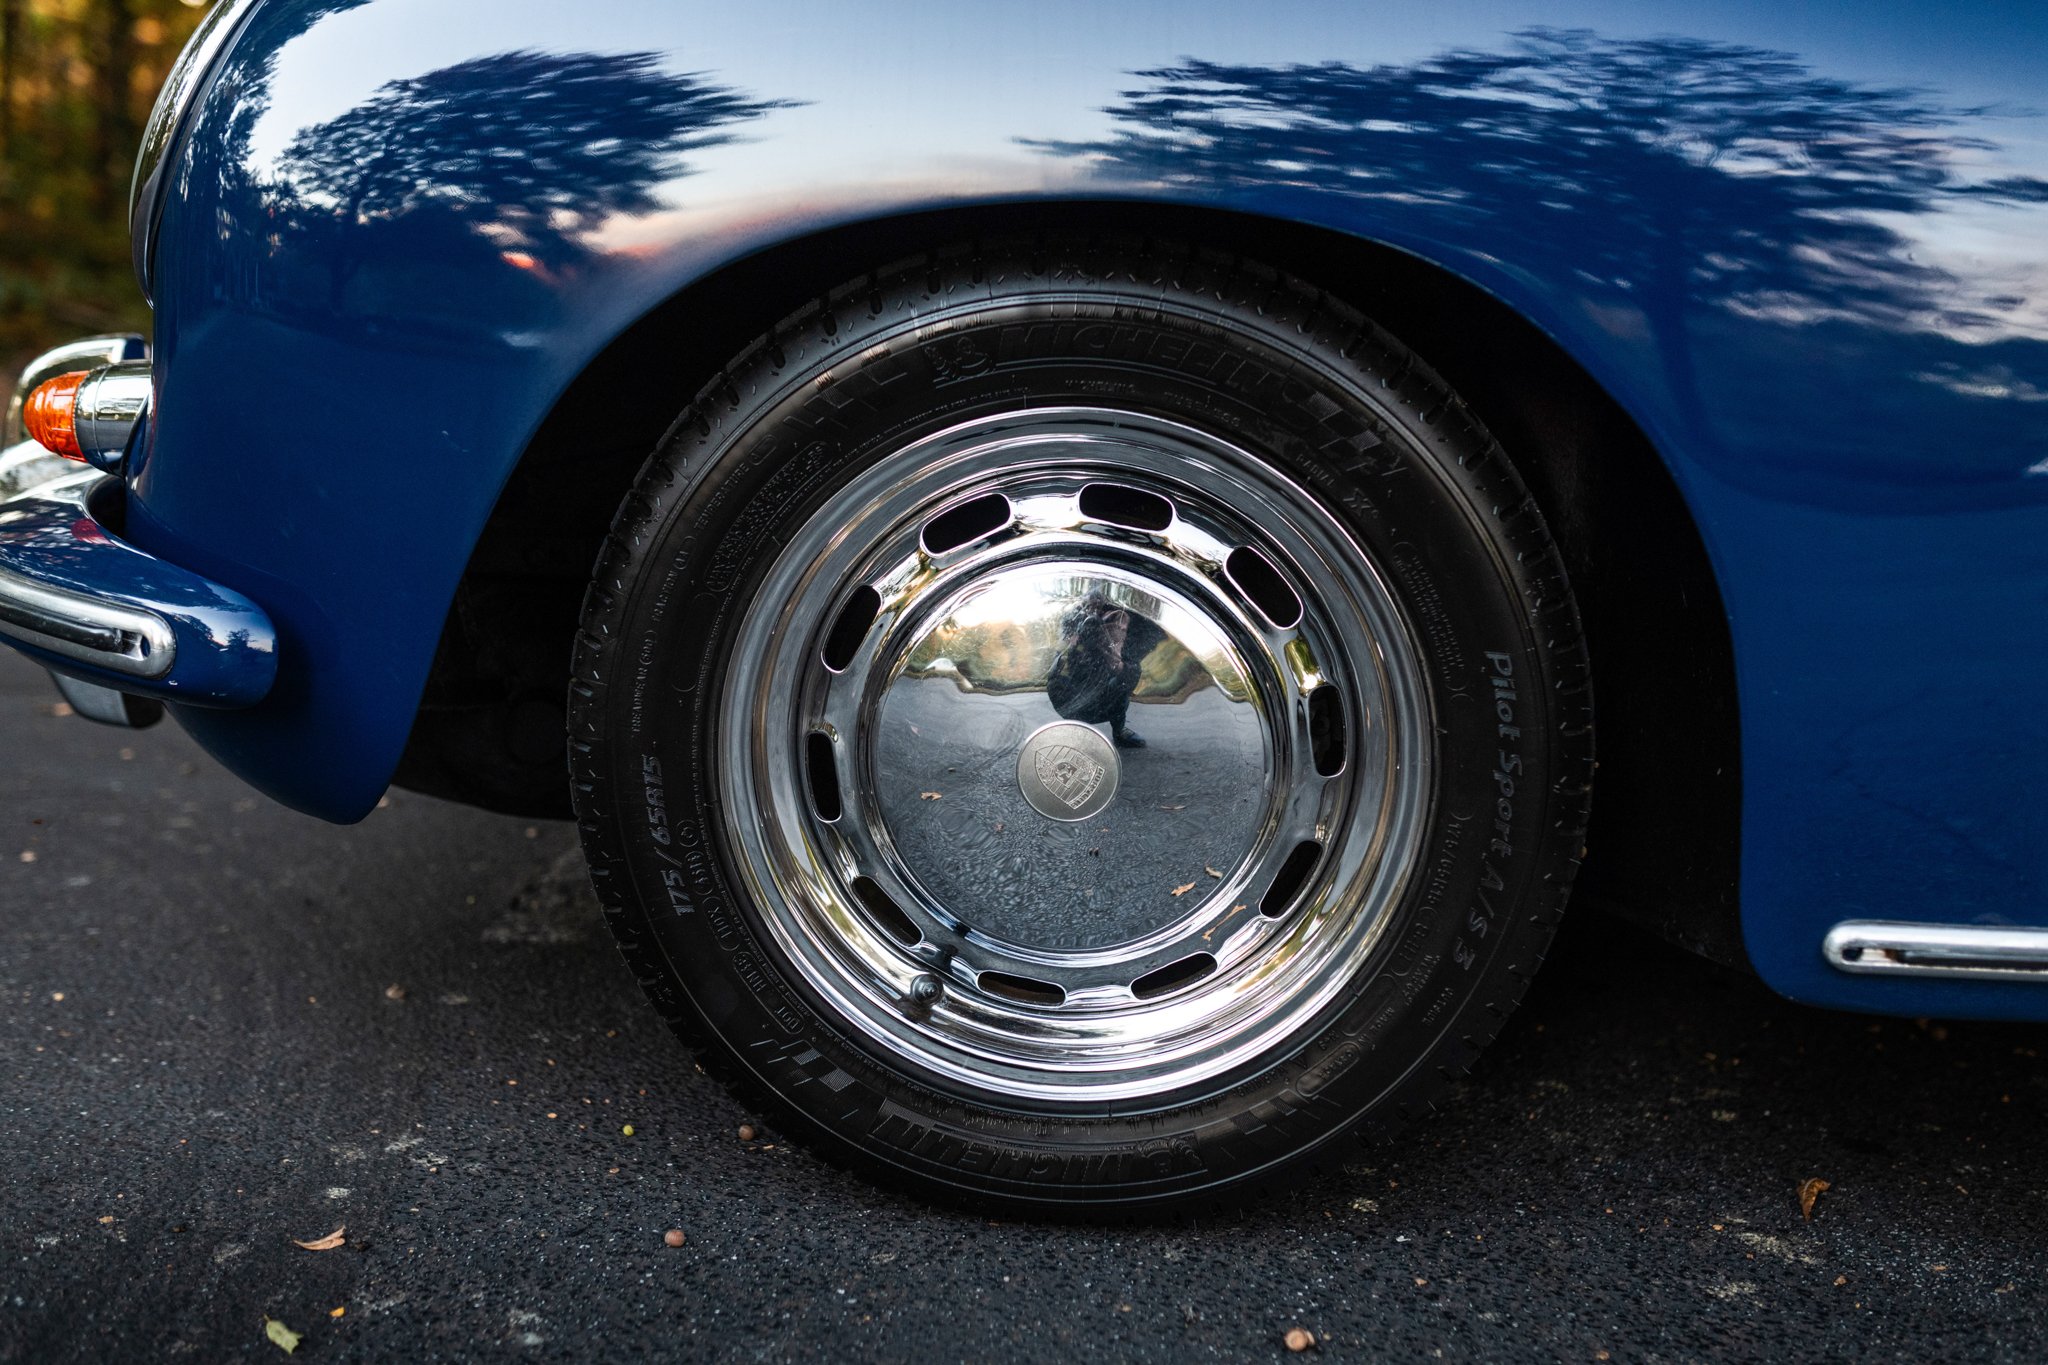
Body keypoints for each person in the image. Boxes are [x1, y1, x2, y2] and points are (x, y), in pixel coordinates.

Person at [1046, 592, 1165, 749]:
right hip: (1073, 691)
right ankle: (1075, 729)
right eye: (1089, 606)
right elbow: (1057, 662)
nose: (1094, 612)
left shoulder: (1118, 622)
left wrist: (1110, 646)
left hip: (1105, 690)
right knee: (1061, 685)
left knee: (1125, 678)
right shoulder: (1073, 618)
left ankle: (1119, 730)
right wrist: (1076, 641)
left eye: (1098, 607)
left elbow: (1129, 671)